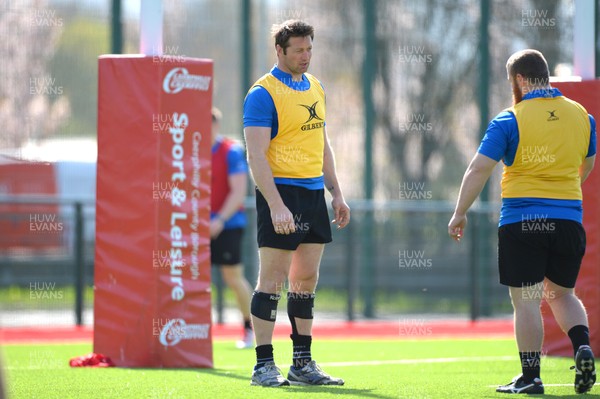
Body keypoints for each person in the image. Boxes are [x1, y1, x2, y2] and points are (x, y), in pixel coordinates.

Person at [448, 49, 596, 395]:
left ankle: (531, 377)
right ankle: (582, 346)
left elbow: (478, 168)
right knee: (562, 294)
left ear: (519, 79)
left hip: (523, 220)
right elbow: (585, 167)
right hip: (569, 219)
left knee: (527, 299)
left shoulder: (509, 119)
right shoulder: (583, 116)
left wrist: (459, 213)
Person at [243, 19, 350, 387]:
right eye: (298, 50)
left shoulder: (316, 86)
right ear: (280, 51)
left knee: (305, 280)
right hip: (280, 193)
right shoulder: (262, 93)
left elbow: (322, 144)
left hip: (312, 193)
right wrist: (274, 204)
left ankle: (302, 364)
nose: (306, 56)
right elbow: (255, 155)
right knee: (271, 280)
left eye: (309, 49)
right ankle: (262, 366)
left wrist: (336, 192)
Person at [210, 107, 254, 349]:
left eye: (211, 123)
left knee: (233, 278)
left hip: (228, 225)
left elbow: (238, 191)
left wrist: (219, 220)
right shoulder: (187, 151)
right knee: (190, 280)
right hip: (196, 227)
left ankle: (249, 329)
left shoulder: (231, 151)